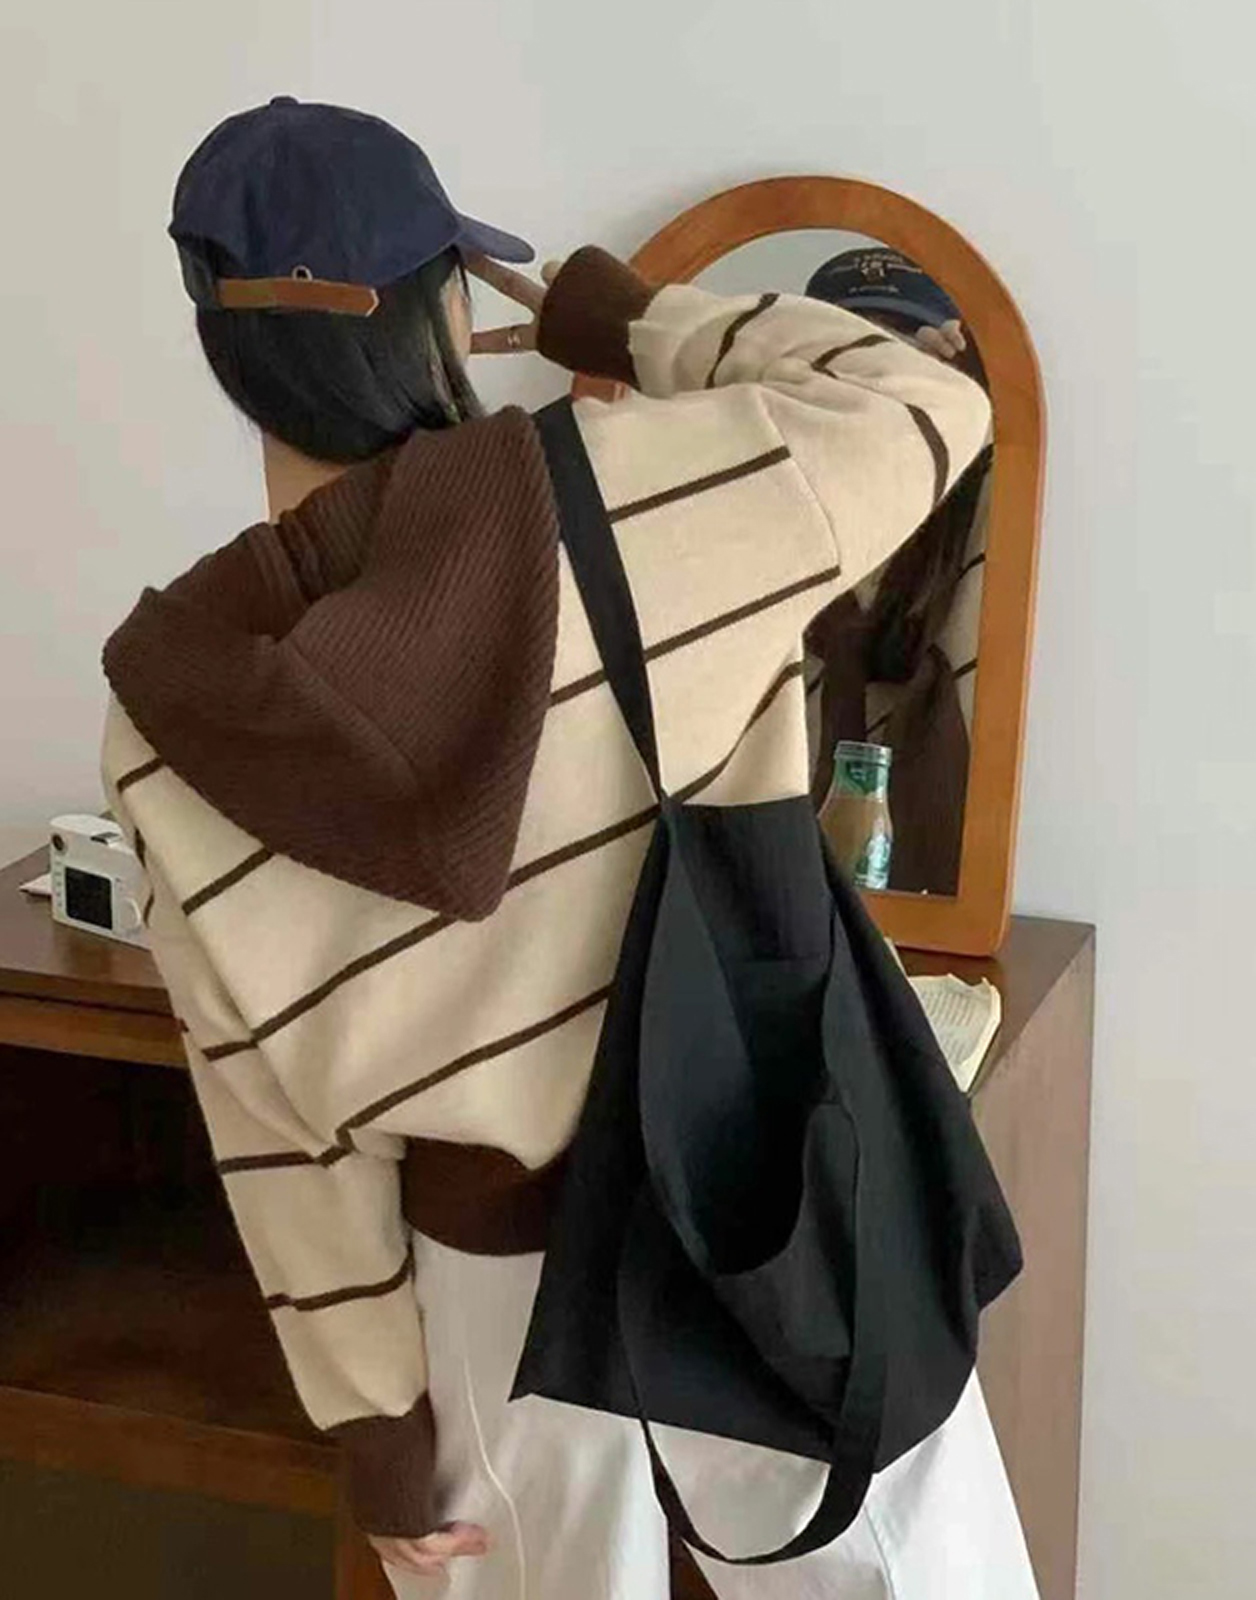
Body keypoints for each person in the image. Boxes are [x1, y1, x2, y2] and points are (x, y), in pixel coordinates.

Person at [102, 98, 1036, 1599]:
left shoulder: (171, 715)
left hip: (480, 1289)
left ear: (221, 343)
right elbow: (927, 401)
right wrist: (616, 312)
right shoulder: (638, 493)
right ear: (448, 306)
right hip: (762, 1194)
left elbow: (271, 1112)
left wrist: (377, 1424)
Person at [802, 249, 994, 894]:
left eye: (902, 351)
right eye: (852, 347)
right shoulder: (754, 495)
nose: (875, 378)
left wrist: (967, 402)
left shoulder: (983, 509)